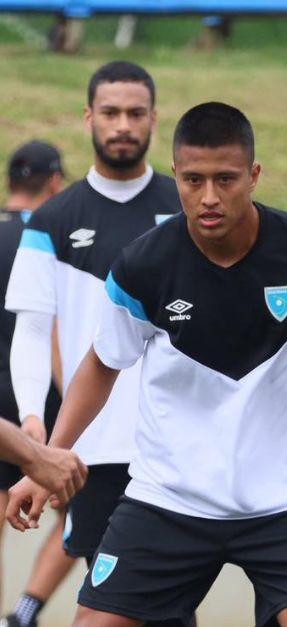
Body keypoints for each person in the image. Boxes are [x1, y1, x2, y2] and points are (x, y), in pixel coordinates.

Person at [6, 101, 287, 627]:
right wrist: (48, 459)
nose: (208, 197)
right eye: (192, 179)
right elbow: (101, 365)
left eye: (225, 179)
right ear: (175, 175)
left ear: (253, 176)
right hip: (169, 498)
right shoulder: (143, 266)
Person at [2, 62, 183, 626]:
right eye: (110, 112)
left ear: (154, 118)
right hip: (97, 453)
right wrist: (34, 419)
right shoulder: (52, 221)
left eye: (135, 113)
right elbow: (31, 330)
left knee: (162, 603)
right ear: (88, 118)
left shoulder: (189, 208)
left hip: (181, 448)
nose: (122, 125)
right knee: (124, 604)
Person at [0, 141, 78, 627]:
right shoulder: (51, 237)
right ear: (54, 182)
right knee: (80, 511)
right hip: (38, 403)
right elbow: (52, 330)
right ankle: (26, 611)